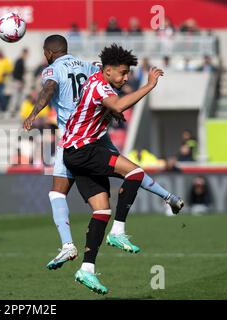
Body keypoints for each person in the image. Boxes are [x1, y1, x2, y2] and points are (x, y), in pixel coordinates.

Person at [23, 36, 184, 274]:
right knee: (122, 180)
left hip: (75, 136)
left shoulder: (51, 70)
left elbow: (49, 88)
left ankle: (68, 244)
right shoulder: (86, 66)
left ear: (47, 53)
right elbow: (104, 90)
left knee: (58, 191)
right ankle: (168, 197)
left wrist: (34, 112)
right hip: (96, 130)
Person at [61, 44, 179, 294]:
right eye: (123, 73)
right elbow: (117, 105)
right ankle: (119, 230)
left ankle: (87, 270)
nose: (126, 77)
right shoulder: (100, 85)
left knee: (101, 210)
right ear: (108, 70)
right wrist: (148, 86)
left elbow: (104, 107)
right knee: (135, 173)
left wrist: (110, 113)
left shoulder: (98, 79)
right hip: (85, 150)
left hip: (74, 154)